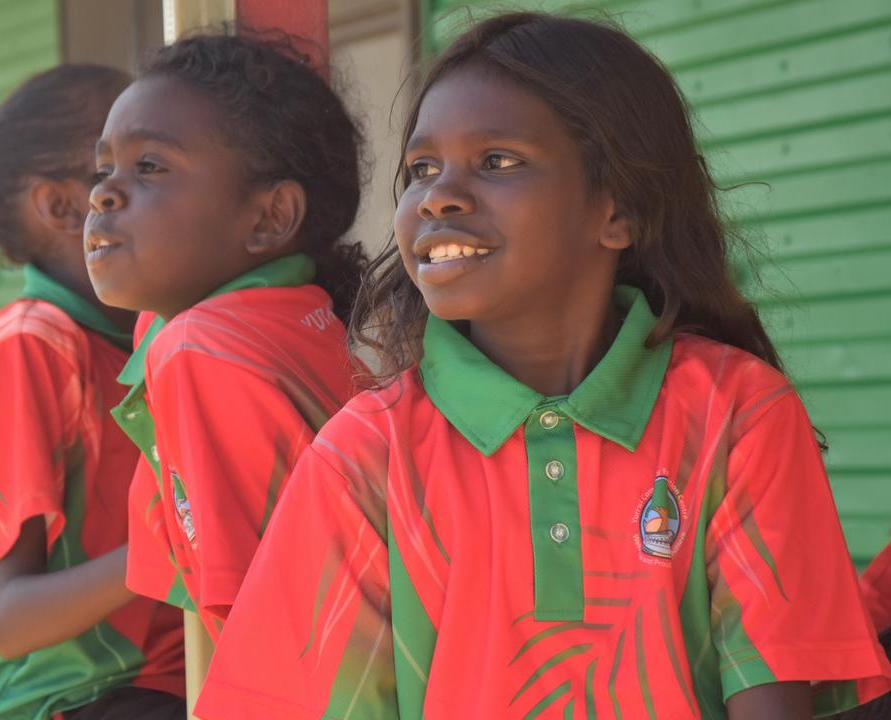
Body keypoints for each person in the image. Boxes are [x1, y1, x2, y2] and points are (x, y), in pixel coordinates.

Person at [196, 12, 891, 719]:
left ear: (617, 212)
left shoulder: (737, 414)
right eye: (421, 170)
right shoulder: (365, 457)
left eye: (498, 161)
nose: (438, 194)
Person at [84, 31, 367, 641]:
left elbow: (261, 635)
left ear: (269, 218)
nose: (102, 192)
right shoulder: (294, 316)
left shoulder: (201, 350)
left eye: (150, 166)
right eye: (103, 169)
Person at [0, 65, 185, 720]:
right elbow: (9, 617)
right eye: (137, 163)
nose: (161, 177)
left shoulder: (150, 332)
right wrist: (179, 547)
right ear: (62, 207)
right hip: (78, 700)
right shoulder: (29, 348)